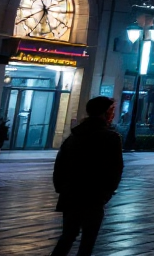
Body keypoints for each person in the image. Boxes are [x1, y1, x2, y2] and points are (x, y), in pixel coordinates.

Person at [49, 96, 123, 256]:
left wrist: (62, 189)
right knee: (87, 241)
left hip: (70, 194)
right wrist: (106, 193)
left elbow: (59, 167)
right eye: (112, 111)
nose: (113, 115)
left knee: (67, 236)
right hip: (94, 196)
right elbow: (115, 170)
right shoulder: (110, 137)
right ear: (106, 113)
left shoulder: (74, 136)